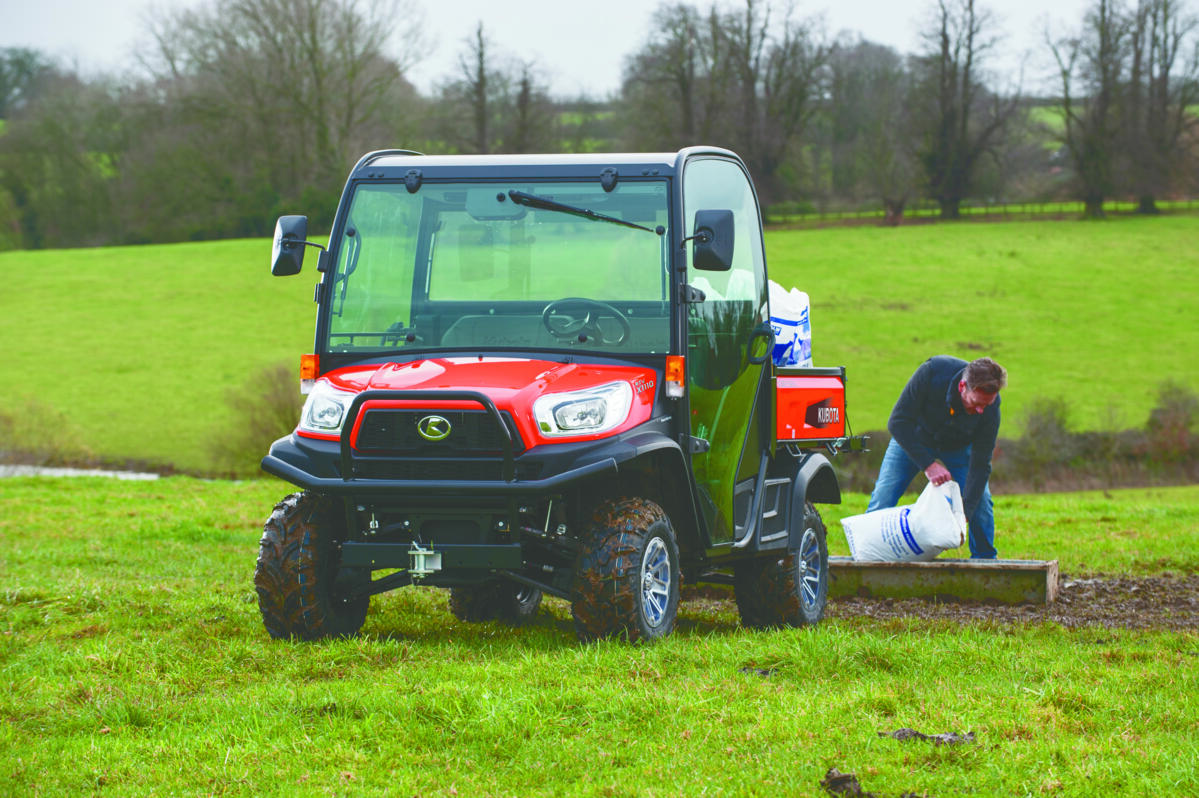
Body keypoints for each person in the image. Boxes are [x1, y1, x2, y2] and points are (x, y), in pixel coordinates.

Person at [867, 356, 1007, 559]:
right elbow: (897, 422)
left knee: (981, 503)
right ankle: (868, 557)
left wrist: (965, 512)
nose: (980, 410)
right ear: (962, 386)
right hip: (914, 438)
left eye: (987, 404)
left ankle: (985, 562)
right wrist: (928, 465)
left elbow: (981, 463)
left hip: (959, 447)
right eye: (976, 403)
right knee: (883, 497)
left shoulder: (990, 408)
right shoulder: (932, 373)